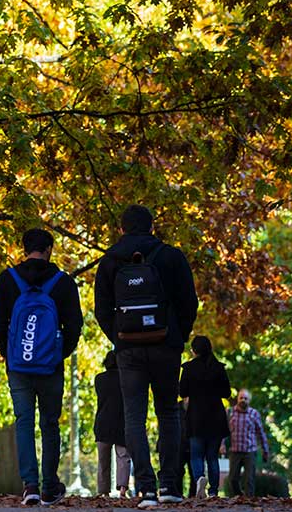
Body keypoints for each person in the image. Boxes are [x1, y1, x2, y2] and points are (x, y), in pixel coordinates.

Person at [94, 204, 198, 509]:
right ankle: (169, 485)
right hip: (166, 345)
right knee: (168, 412)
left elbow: (101, 309)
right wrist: (178, 334)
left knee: (134, 417)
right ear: (152, 227)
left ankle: (147, 489)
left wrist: (119, 338)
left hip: (129, 350)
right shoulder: (171, 256)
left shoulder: (111, 261)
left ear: (122, 228)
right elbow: (189, 301)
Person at [0, 227, 83, 506]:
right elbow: (74, 326)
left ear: (24, 248)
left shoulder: (7, 280)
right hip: (50, 366)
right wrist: (58, 354)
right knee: (50, 424)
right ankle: (49, 485)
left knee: (24, 422)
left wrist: (9, 354)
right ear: (49, 249)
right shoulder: (63, 282)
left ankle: (29, 485)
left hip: (19, 365)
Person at [178, 336, 230, 498]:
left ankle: (200, 477)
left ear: (194, 350)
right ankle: (213, 490)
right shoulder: (219, 368)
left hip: (196, 417)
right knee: (212, 457)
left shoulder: (188, 368)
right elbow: (226, 393)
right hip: (216, 417)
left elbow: (182, 392)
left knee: (196, 455)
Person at [94, 351, 132, 497]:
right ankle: (122, 489)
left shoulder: (99, 379)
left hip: (103, 422)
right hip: (122, 422)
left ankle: (103, 492)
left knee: (103, 461)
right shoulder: (126, 379)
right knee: (123, 457)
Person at [223, 388, 270, 497]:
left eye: (246, 398)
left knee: (249, 479)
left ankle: (249, 501)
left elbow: (261, 433)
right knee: (233, 479)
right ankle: (239, 497)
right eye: (241, 398)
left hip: (250, 451)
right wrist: (222, 445)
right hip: (235, 451)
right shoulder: (230, 412)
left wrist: (265, 449)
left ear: (249, 400)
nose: (243, 400)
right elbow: (224, 430)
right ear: (237, 399)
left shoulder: (254, 414)